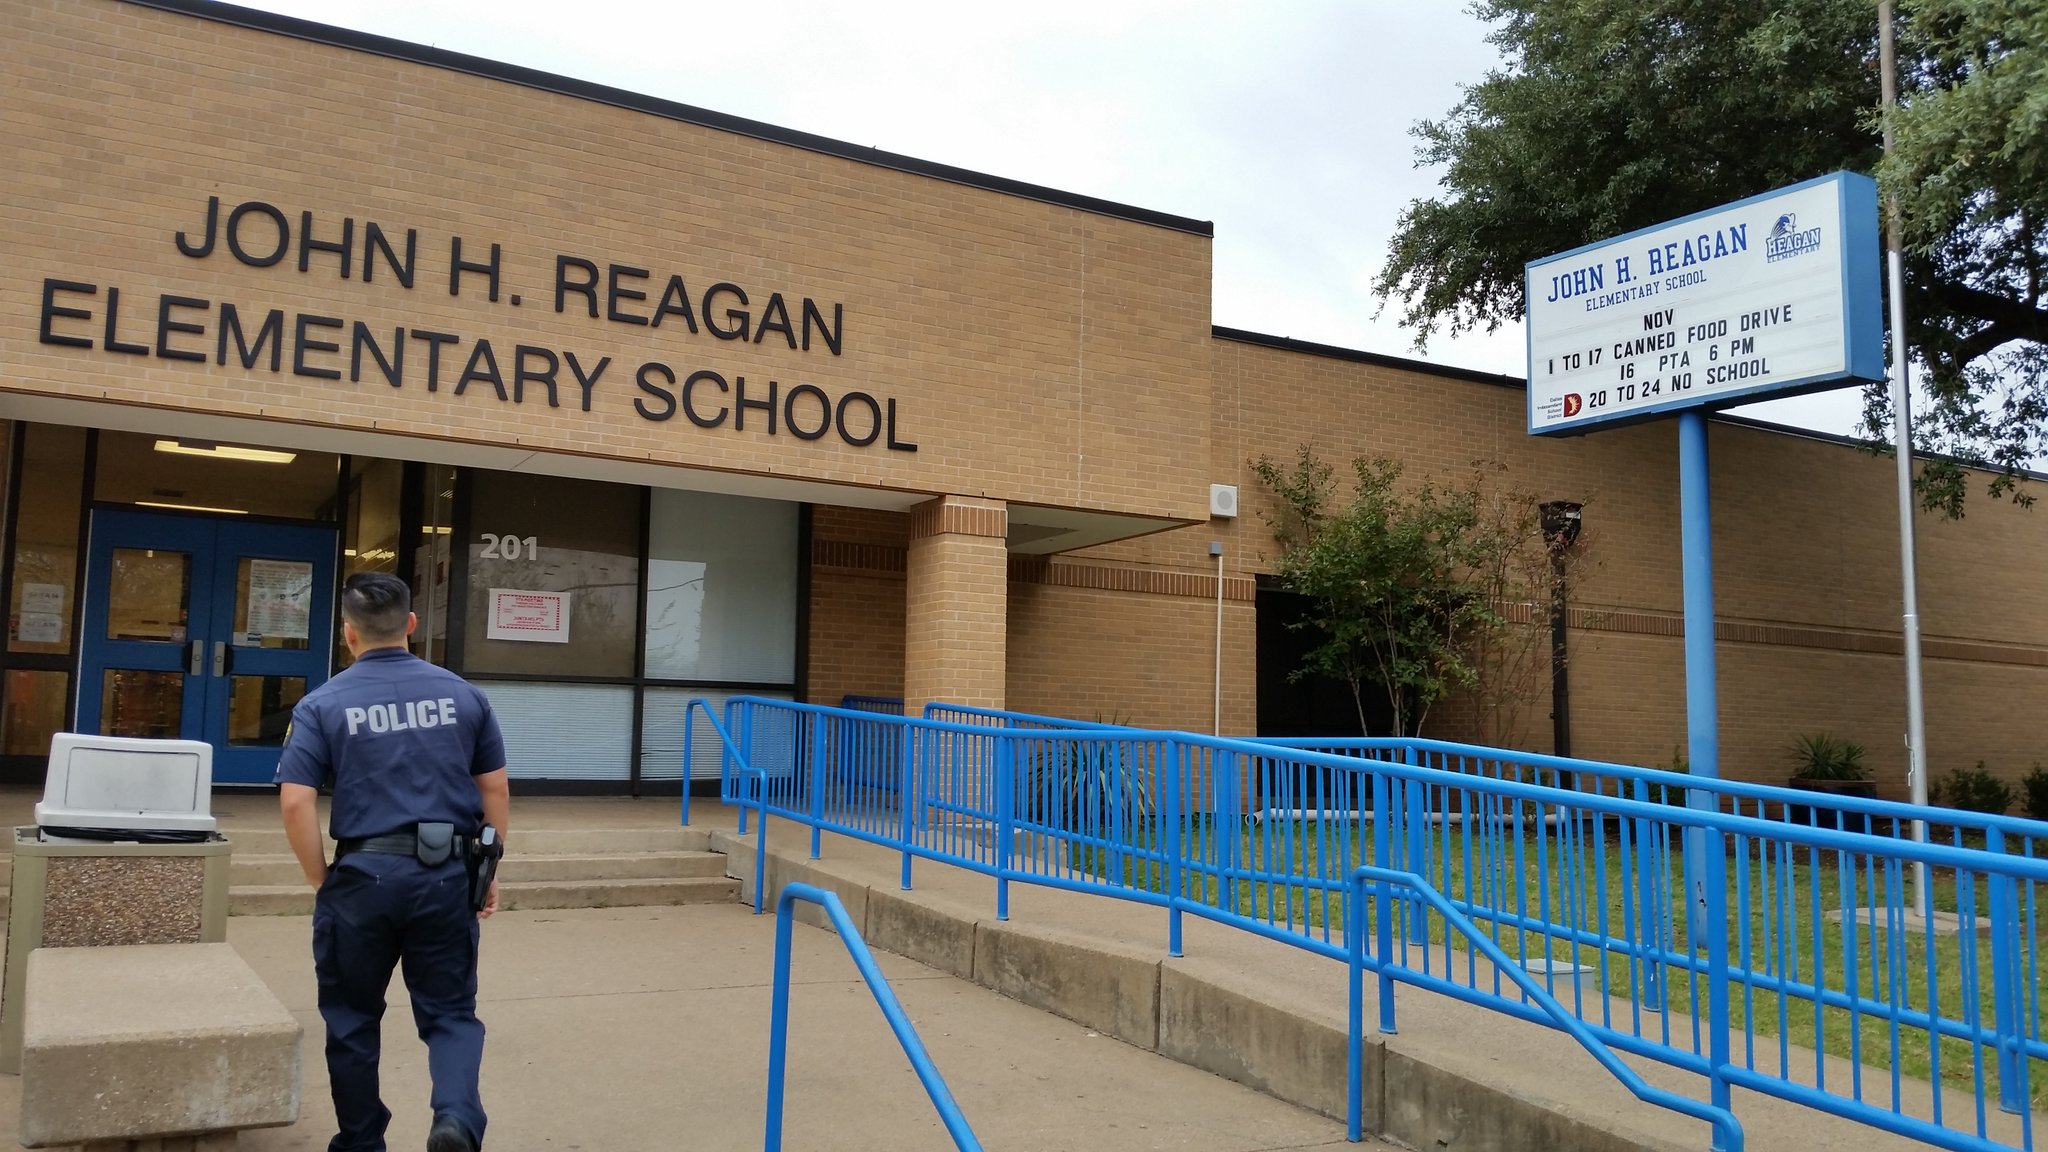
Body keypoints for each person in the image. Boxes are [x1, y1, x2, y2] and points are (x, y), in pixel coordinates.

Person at [277, 571, 511, 1152]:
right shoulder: (464, 695)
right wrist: (487, 874)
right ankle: (455, 1118)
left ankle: (360, 1142)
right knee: (452, 1014)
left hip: (362, 878)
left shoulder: (321, 703)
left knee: (352, 1020)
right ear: (411, 625)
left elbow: (296, 801)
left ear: (348, 634)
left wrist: (319, 879)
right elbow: (495, 792)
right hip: (445, 876)